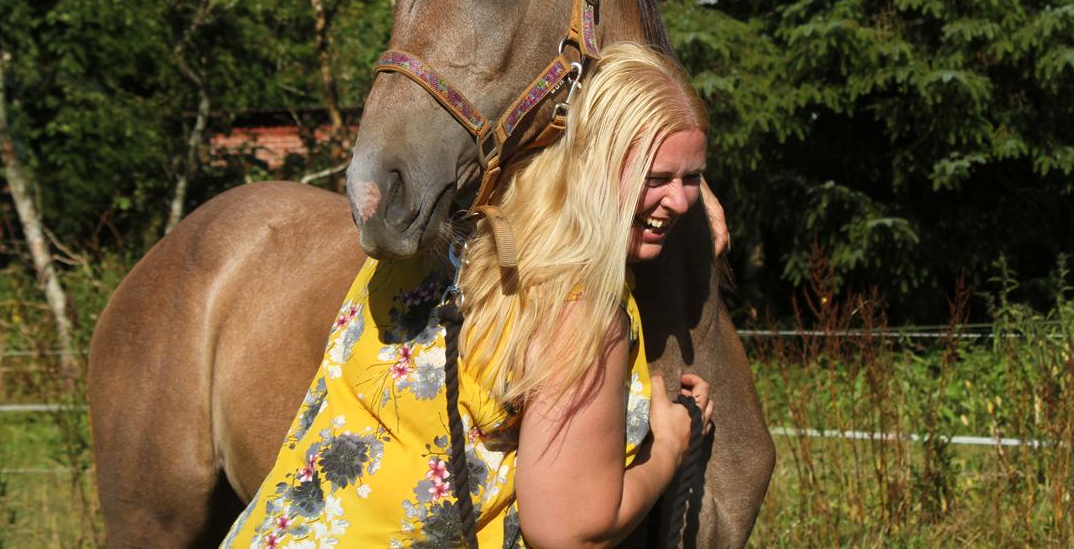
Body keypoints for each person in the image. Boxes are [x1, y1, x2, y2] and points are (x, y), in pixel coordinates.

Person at [223, 43, 716, 548]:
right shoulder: (580, 313)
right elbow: (569, 533)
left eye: (692, 178)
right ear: (589, 163)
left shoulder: (434, 250)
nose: (678, 202)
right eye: (655, 179)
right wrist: (669, 449)